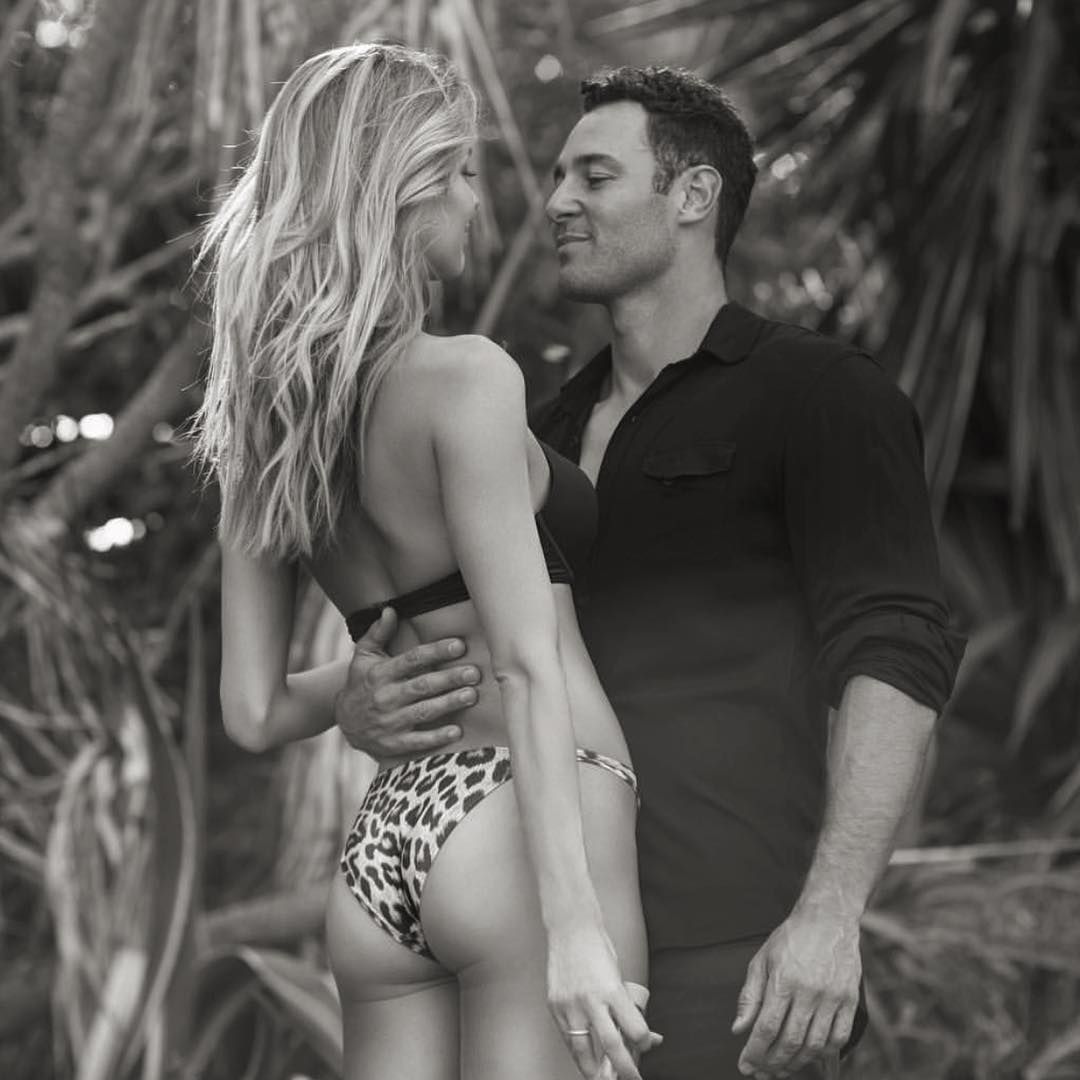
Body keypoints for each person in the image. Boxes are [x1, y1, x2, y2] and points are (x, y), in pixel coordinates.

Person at [334, 66, 967, 1079]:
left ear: (693, 195)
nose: (557, 202)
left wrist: (830, 915)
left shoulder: (819, 393)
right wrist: (360, 703)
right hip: (533, 937)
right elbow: (492, 653)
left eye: (595, 176)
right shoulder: (534, 432)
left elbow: (895, 655)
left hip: (737, 958)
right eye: (557, 177)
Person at [191, 44, 663, 1080]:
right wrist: (575, 927)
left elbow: (254, 712)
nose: (474, 201)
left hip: (387, 844)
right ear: (403, 188)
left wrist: (358, 692)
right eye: (461, 172)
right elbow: (525, 664)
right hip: (523, 822)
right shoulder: (465, 380)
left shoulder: (261, 427)